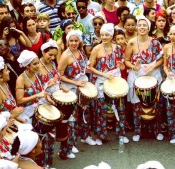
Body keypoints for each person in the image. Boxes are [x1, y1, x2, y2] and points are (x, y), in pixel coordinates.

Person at [125, 15, 164, 142]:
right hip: (136, 75)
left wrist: (153, 65)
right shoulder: (131, 42)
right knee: (137, 105)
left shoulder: (155, 42)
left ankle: (156, 130)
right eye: (140, 25)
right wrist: (134, 67)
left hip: (153, 74)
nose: (142, 27)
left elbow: (162, 59)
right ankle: (138, 131)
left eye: (144, 25)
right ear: (137, 27)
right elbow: (126, 60)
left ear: (149, 28)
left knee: (154, 104)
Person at [89, 23, 129, 145]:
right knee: (102, 109)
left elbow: (121, 63)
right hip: (101, 80)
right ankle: (100, 135)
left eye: (107, 34)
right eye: (102, 35)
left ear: (112, 36)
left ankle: (121, 134)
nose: (104, 37)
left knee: (120, 107)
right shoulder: (96, 49)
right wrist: (104, 74)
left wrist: (121, 66)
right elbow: (90, 67)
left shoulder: (117, 48)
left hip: (115, 79)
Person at [57, 30, 91, 158]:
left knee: (83, 114)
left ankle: (82, 137)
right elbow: (59, 76)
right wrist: (75, 82)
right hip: (70, 89)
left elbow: (85, 68)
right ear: (67, 42)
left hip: (81, 87)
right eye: (71, 41)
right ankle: (68, 147)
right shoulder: (65, 56)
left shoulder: (81, 52)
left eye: (76, 40)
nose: (73, 43)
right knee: (71, 119)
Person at [15, 50, 49, 124]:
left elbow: (42, 89)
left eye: (38, 63)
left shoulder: (38, 72)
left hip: (39, 106)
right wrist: (36, 96)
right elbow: (19, 100)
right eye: (35, 64)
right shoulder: (21, 79)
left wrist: (49, 99)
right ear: (27, 65)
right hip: (27, 111)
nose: (38, 66)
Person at [0, 56, 24, 122]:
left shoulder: (5, 83)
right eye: (6, 70)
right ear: (0, 75)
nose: (9, 71)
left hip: (14, 118)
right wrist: (12, 115)